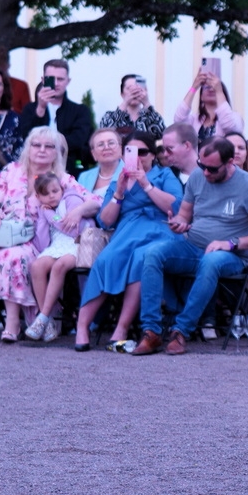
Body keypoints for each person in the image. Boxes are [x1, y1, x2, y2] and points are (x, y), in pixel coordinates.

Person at [130, 137, 248, 355]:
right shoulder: (197, 177)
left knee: (211, 261)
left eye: (212, 169)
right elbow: (184, 215)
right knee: (152, 253)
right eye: (201, 165)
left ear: (230, 162)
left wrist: (231, 243)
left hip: (232, 255)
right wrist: (179, 223)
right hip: (193, 246)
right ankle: (151, 331)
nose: (205, 173)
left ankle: (181, 331)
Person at [0, 127, 82, 342]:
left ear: (56, 152)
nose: (41, 150)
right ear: (28, 148)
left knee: (14, 256)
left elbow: (92, 201)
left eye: (48, 146)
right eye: (36, 145)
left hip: (35, 241)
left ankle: (12, 322)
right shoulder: (11, 170)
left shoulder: (62, 178)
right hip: (2, 233)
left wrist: (78, 211)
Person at [75, 131, 184, 350]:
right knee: (105, 260)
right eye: (131, 151)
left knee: (141, 260)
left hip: (158, 230)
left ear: (152, 155)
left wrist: (146, 184)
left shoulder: (164, 175)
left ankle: (122, 328)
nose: (138, 157)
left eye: (143, 152)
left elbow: (176, 206)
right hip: (127, 233)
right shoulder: (119, 181)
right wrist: (119, 193)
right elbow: (105, 221)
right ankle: (82, 326)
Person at [23, 173, 97, 342]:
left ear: (61, 189)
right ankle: (48, 322)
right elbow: (42, 243)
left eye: (55, 191)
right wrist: (43, 217)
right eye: (45, 194)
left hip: (79, 243)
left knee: (59, 266)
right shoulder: (46, 210)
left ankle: (42, 317)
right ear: (38, 197)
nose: (51, 196)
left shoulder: (71, 199)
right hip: (58, 245)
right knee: (37, 266)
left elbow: (72, 229)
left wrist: (49, 215)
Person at [17, 59, 93, 171]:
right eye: (51, 79)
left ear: (68, 81)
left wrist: (49, 145)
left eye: (60, 79)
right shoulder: (30, 109)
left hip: (70, 169)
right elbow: (27, 137)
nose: (56, 83)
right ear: (43, 80)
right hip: (35, 169)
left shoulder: (80, 110)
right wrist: (41, 108)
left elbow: (78, 139)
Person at [173, 65, 243, 145]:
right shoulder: (194, 120)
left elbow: (229, 126)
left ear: (223, 95)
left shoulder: (235, 118)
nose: (211, 89)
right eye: (206, 87)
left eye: (214, 88)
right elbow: (178, 120)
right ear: (201, 97)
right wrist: (194, 87)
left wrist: (219, 91)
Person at [100, 74, 166, 138]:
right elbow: (105, 133)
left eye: (138, 88)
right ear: (122, 94)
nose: (135, 92)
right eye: (130, 88)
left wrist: (147, 103)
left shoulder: (150, 115)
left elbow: (161, 133)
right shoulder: (109, 116)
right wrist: (125, 102)